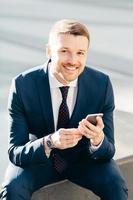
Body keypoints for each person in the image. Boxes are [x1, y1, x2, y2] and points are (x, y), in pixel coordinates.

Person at [0, 19, 128, 200]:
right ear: (49, 51)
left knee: (116, 184)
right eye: (64, 51)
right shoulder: (22, 85)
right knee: (13, 187)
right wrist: (49, 142)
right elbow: (15, 151)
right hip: (39, 160)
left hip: (84, 159)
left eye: (80, 53)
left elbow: (108, 151)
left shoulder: (102, 85)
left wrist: (98, 139)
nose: (73, 61)